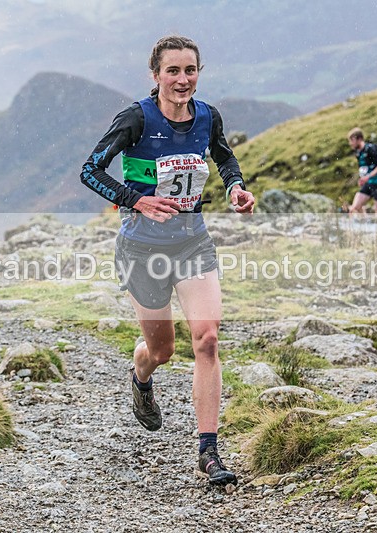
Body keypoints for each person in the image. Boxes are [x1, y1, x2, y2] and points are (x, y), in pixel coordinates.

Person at [80, 35, 255, 486]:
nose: (182, 80)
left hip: (192, 242)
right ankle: (141, 376)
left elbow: (223, 154)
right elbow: (90, 170)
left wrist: (235, 187)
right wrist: (135, 200)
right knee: (161, 350)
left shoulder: (207, 116)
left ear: (199, 72)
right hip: (141, 248)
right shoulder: (137, 118)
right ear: (155, 75)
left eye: (190, 70)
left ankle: (208, 452)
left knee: (208, 339)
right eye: (173, 71)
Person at [347, 127, 377, 213]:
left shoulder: (372, 149)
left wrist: (368, 176)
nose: (350, 143)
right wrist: (362, 178)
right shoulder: (358, 153)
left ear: (360, 139)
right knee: (354, 208)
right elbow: (364, 168)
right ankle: (365, 223)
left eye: (352, 140)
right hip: (368, 184)